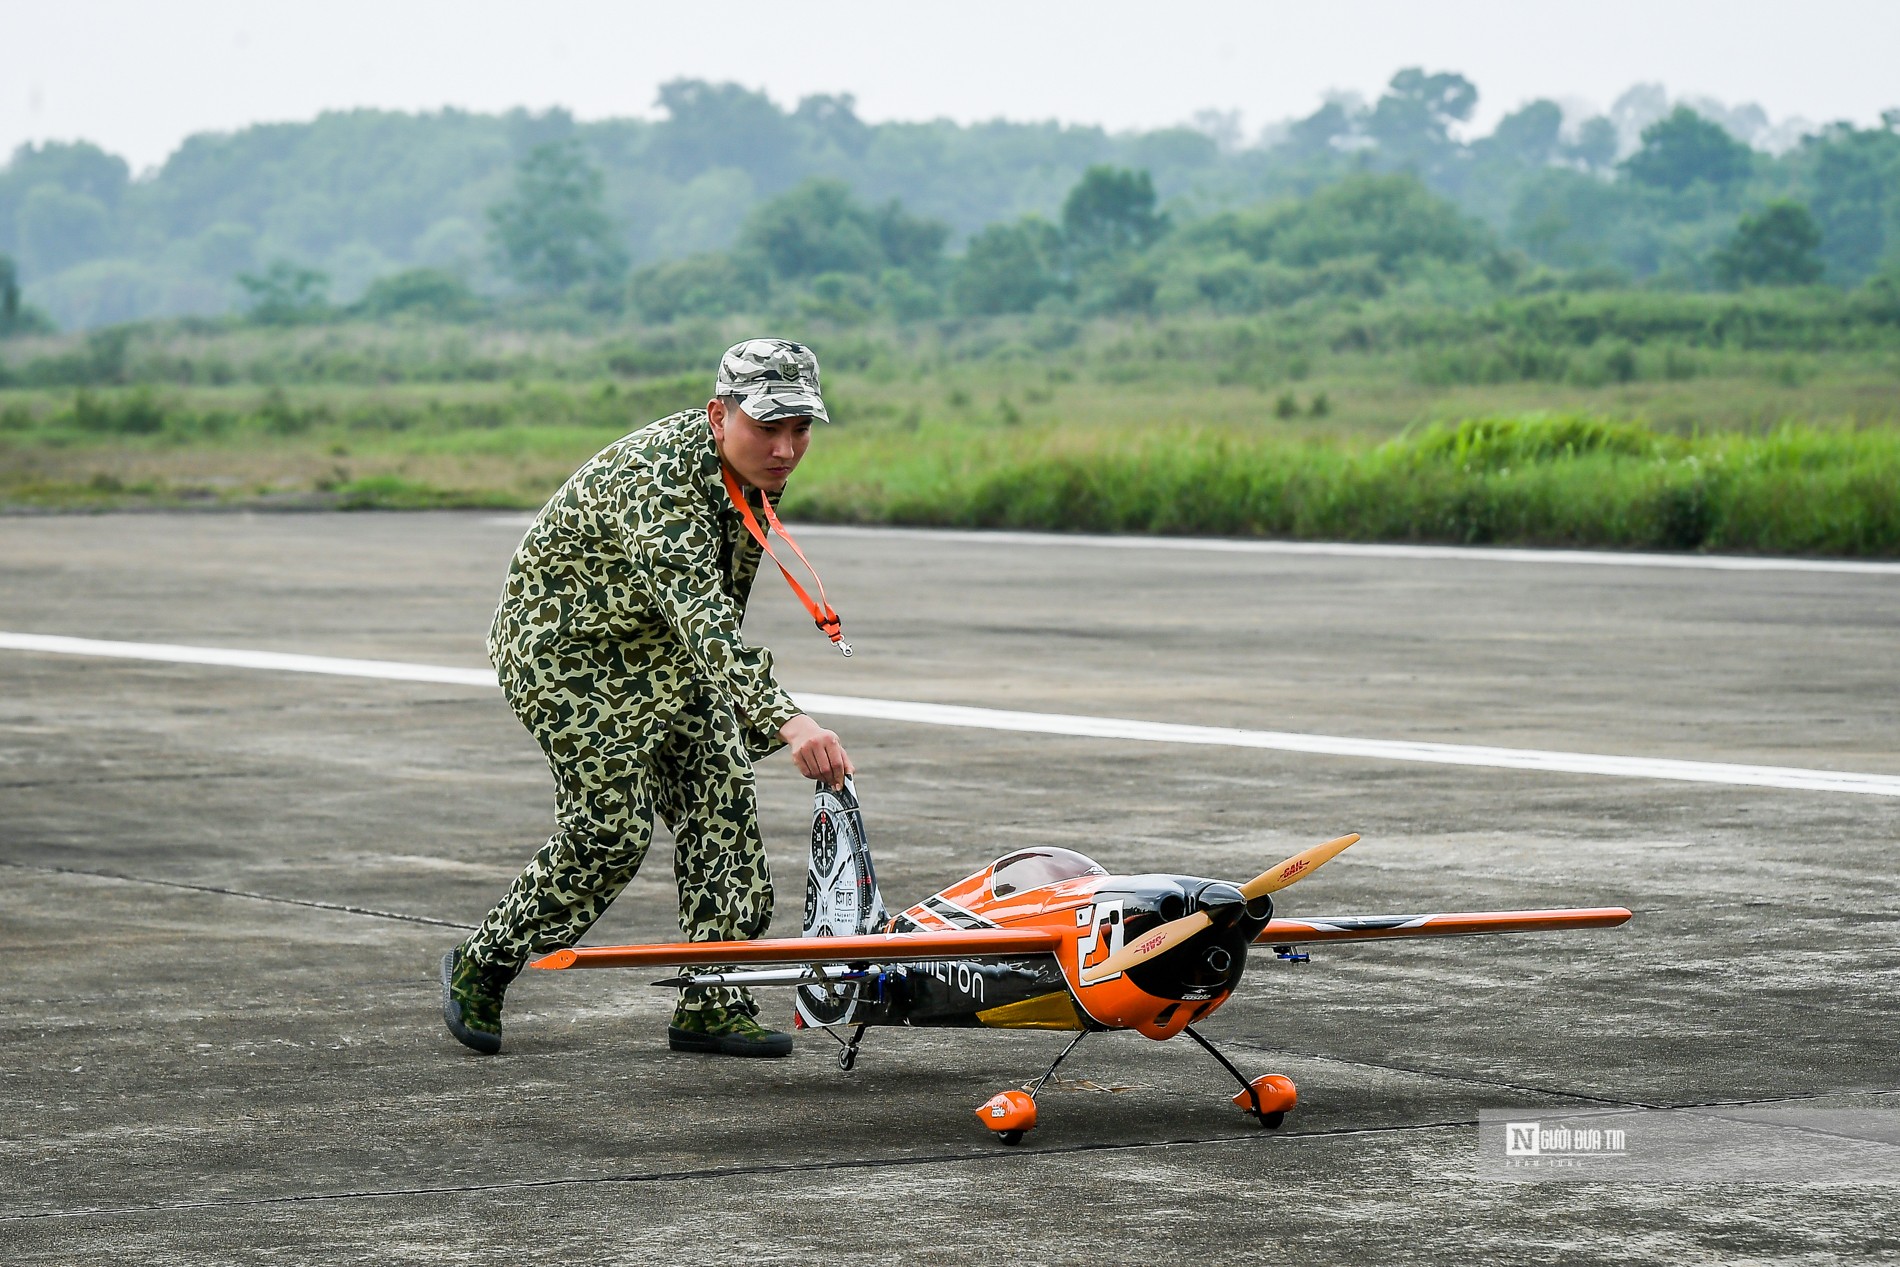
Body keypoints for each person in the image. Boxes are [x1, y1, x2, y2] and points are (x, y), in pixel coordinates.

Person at [441, 337, 853, 1059]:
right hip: (569, 651)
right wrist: (787, 720)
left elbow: (712, 609)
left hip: (662, 644)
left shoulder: (746, 466)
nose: (786, 448)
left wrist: (745, 716)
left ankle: (712, 1001)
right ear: (717, 414)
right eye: (768, 426)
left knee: (721, 806)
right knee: (610, 832)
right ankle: (485, 961)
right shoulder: (658, 483)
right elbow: (705, 614)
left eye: (801, 428)